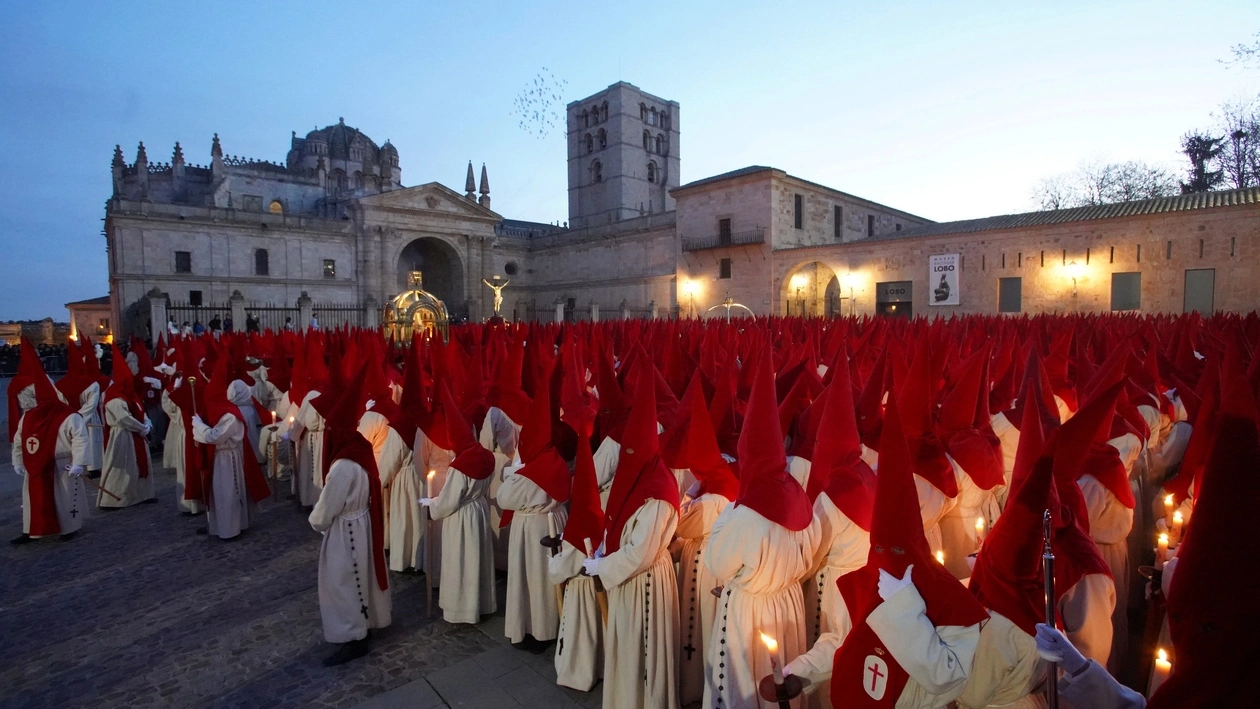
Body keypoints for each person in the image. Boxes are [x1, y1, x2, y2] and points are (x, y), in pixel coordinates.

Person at [703, 348, 821, 709]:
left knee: (745, 684)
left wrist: (729, 511)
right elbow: (810, 553)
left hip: (749, 610)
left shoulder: (747, 513)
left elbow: (717, 564)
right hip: (787, 605)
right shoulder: (799, 495)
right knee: (780, 687)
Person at [582, 357, 681, 709]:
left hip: (646, 579)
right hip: (626, 576)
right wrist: (604, 551)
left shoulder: (657, 493)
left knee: (644, 648)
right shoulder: (636, 478)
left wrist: (602, 568)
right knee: (627, 645)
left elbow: (640, 552)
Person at [309, 370, 391, 666]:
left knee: (344, 581)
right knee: (362, 575)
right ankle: (364, 623)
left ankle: (353, 635)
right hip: (362, 522)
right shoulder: (359, 449)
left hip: (347, 529)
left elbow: (327, 508)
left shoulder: (344, 464)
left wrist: (316, 522)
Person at [497, 358, 570, 649]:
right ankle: (553, 623)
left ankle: (538, 630)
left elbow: (505, 497)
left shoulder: (530, 474)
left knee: (533, 581)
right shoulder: (555, 462)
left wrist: (511, 473)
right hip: (555, 520)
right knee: (546, 579)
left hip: (531, 528)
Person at [420, 383, 497, 625]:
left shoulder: (460, 465)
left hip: (462, 516)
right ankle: (482, 604)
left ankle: (462, 610)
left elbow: (449, 500)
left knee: (461, 561)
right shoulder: (485, 455)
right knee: (479, 559)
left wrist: (432, 508)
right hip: (479, 511)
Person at [9, 338, 89, 544]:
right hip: (35, 466)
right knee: (34, 498)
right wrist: (18, 460)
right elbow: (20, 440)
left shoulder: (68, 415)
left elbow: (80, 438)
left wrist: (79, 462)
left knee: (63, 497)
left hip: (61, 464)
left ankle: (69, 527)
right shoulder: (29, 417)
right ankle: (32, 529)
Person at [98, 343, 155, 507]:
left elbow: (140, 410)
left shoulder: (129, 395)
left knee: (138, 465)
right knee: (122, 468)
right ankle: (117, 498)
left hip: (136, 434)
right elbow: (124, 419)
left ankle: (142, 494)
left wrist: (147, 423)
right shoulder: (114, 398)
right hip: (122, 435)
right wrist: (141, 428)